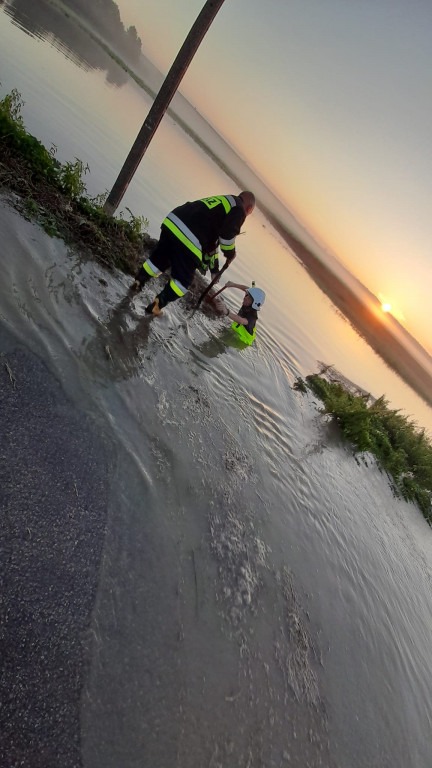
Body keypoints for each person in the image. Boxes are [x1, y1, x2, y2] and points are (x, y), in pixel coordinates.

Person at [131, 192, 256, 315]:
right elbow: (227, 237)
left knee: (157, 261)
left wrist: (214, 270)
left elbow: (213, 243)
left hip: (173, 222)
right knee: (182, 283)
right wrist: (230, 254)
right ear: (250, 208)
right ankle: (157, 305)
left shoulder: (226, 201)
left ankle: (138, 282)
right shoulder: (239, 210)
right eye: (249, 213)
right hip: (190, 237)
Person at [220, 280, 266, 346]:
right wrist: (233, 284)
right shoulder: (248, 303)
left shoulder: (252, 317)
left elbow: (241, 321)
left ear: (253, 303)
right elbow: (246, 289)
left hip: (241, 341)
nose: (245, 298)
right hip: (235, 332)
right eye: (247, 295)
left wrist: (226, 312)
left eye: (249, 298)